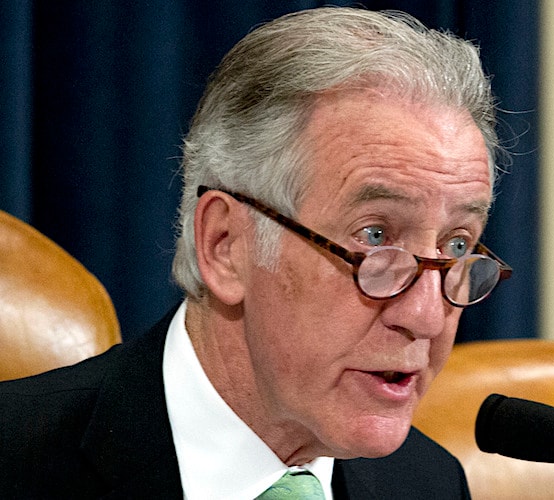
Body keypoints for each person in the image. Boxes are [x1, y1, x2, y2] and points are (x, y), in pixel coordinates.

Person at [0, 7, 511, 499]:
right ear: (226, 246)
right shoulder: (18, 463)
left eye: (457, 245)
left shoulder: (426, 483)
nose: (425, 316)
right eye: (374, 237)